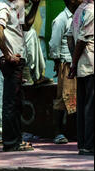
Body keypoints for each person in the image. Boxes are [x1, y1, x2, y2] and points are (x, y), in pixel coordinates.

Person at [0, 0, 41, 152]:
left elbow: (25, 25)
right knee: (11, 102)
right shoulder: (3, 6)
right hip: (11, 61)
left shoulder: (16, 5)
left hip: (16, 60)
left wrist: (35, 5)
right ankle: (11, 142)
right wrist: (8, 55)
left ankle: (15, 140)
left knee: (16, 102)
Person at [49, 1, 79, 145]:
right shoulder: (61, 19)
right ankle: (58, 132)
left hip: (78, 62)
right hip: (66, 62)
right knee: (62, 98)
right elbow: (54, 43)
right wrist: (57, 61)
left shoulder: (79, 15)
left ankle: (75, 131)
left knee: (76, 98)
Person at [67, 0, 94, 156]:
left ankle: (83, 144)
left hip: (82, 66)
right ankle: (89, 145)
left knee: (84, 106)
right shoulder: (91, 11)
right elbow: (81, 40)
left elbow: (70, 37)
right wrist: (74, 63)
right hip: (90, 64)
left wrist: (74, 62)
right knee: (90, 107)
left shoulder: (78, 11)